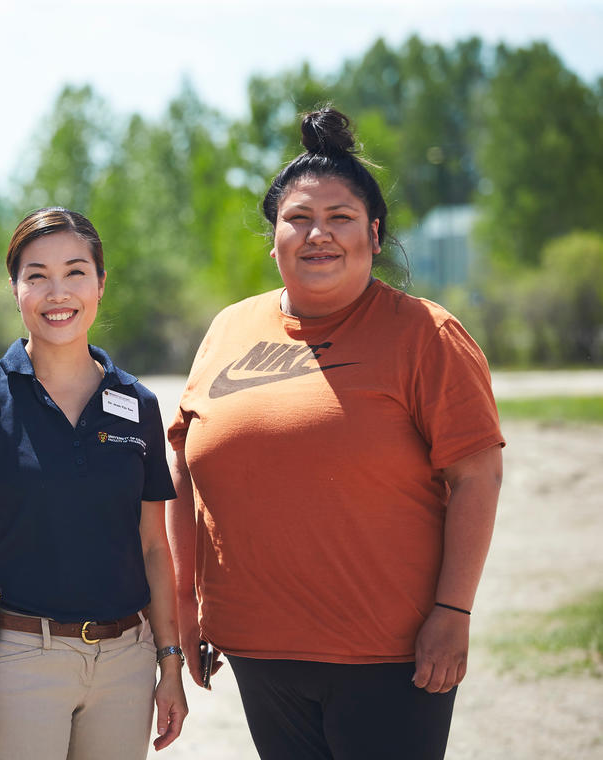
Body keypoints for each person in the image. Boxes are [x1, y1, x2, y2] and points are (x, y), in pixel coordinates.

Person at [166, 108, 504, 760]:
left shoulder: (426, 337)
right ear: (274, 239)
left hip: (388, 655)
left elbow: (477, 475)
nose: (318, 233)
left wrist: (453, 613)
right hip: (259, 649)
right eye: (297, 219)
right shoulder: (230, 328)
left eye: (341, 218)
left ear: (375, 236)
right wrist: (188, 601)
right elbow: (181, 462)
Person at [0, 207, 189, 759]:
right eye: (36, 275)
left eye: (75, 271)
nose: (57, 292)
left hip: (126, 662)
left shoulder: (138, 405)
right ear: (15, 287)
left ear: (100, 282)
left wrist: (170, 664)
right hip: (18, 658)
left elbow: (153, 548)